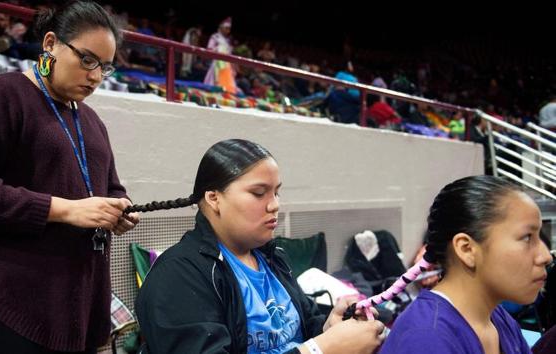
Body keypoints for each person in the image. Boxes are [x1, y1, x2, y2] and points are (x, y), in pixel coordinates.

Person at [0, 2, 140, 353]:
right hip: (9, 302)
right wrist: (63, 209)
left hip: (79, 304)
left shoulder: (91, 121)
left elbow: (109, 187)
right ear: (50, 44)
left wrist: (120, 208)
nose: (94, 76)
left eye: (105, 67)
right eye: (87, 59)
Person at [135, 139, 384, 354]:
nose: (274, 205)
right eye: (259, 193)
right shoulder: (178, 276)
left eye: (276, 193)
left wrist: (330, 328)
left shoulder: (272, 258)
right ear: (214, 198)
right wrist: (323, 349)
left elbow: (300, 332)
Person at [356, 175, 552, 354]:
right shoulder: (426, 339)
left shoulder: (498, 319)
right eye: (527, 238)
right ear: (467, 249)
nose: (546, 256)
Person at [203, 17, 238, 94]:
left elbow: (229, 54)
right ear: (221, 27)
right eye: (226, 28)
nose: (228, 31)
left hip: (227, 65)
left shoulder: (227, 41)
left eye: (229, 29)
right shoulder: (215, 37)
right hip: (217, 64)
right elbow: (209, 49)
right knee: (214, 83)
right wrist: (218, 49)